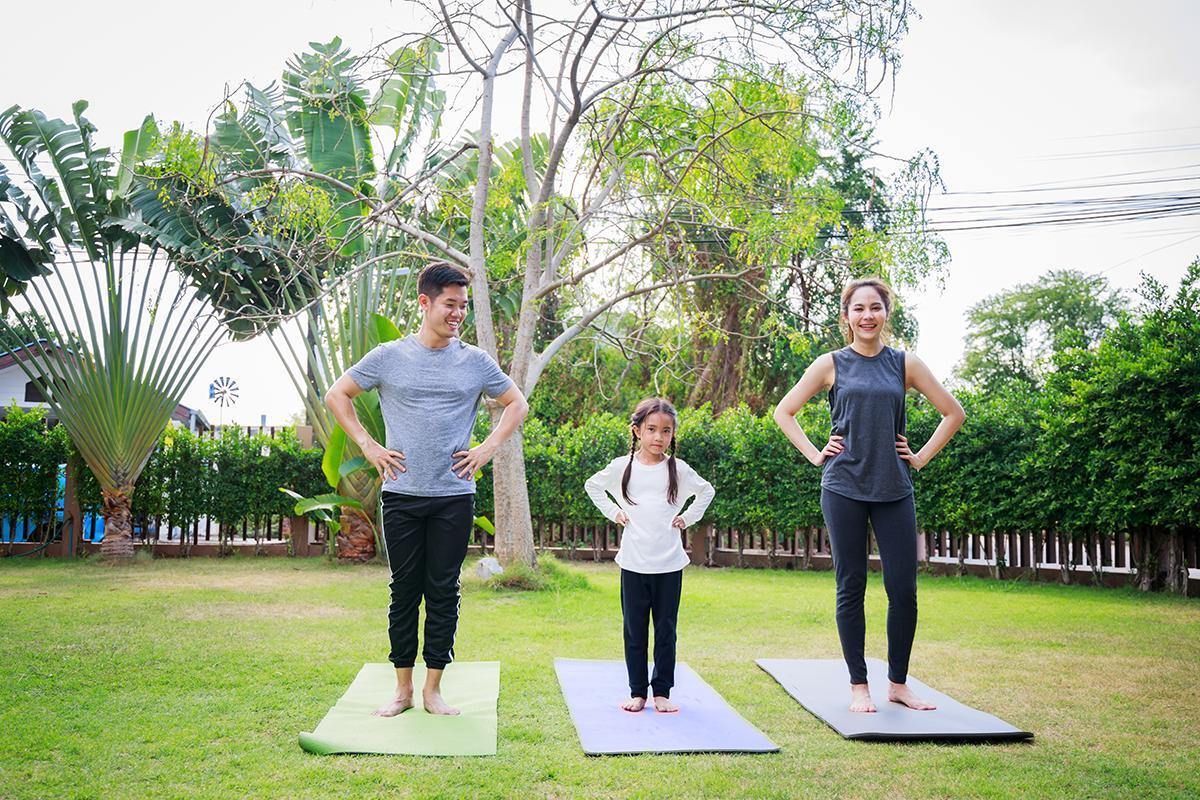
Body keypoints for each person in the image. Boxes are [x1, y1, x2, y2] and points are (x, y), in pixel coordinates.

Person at [325, 262, 529, 717]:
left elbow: (517, 402)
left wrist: (487, 448)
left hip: (454, 496)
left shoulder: (476, 362)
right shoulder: (389, 356)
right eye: (450, 305)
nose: (458, 314)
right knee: (404, 591)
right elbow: (337, 395)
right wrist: (368, 444)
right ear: (425, 302)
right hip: (401, 495)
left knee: (443, 590)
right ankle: (402, 690)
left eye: (463, 306)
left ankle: (433, 689)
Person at [772, 277, 964, 713]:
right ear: (846, 317)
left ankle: (898, 683)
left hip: (894, 489)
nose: (867, 316)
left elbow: (953, 412)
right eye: (858, 309)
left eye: (875, 307)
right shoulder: (831, 364)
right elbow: (784, 411)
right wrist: (816, 454)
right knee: (851, 585)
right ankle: (859, 685)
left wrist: (919, 457)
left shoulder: (904, 364)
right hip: (844, 488)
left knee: (904, 590)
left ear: (886, 314)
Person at [584, 398, 715, 713]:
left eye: (666, 431)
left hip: (669, 565)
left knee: (666, 629)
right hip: (633, 563)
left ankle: (662, 692)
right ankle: (637, 692)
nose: (659, 437)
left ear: (672, 435)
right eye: (652, 429)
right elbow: (593, 486)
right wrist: (615, 512)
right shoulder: (622, 467)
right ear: (637, 431)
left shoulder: (678, 469)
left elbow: (706, 491)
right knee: (634, 629)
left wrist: (687, 517)